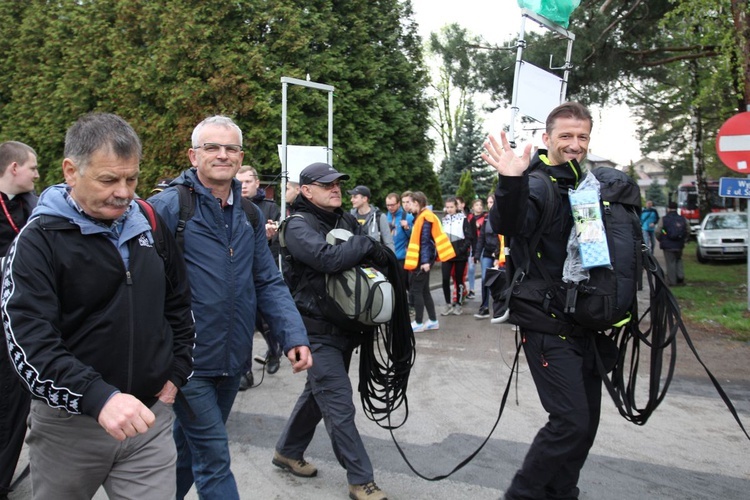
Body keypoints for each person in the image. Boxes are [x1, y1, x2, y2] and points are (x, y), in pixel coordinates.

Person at [2, 113, 194, 499]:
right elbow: (28, 341)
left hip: (149, 422)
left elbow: (179, 303)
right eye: (108, 180)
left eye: (132, 178)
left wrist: (177, 370)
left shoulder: (149, 222)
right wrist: (98, 397)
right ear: (71, 171)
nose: (124, 193)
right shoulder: (38, 241)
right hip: (69, 429)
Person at [149, 115, 312, 500]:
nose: (222, 155)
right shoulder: (167, 207)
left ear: (240, 157)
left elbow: (267, 280)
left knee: (190, 454)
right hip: (186, 361)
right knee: (214, 459)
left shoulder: (250, 214)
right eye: (212, 147)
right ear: (193, 155)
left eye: (231, 148)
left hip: (233, 358)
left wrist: (292, 334)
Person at [482, 102, 608, 499]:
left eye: (582, 136)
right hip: (547, 324)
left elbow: (592, 254)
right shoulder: (536, 183)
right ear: (547, 138)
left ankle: (561, 493)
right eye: (566, 136)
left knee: (584, 426)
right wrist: (510, 181)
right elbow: (508, 223)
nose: (575, 144)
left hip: (583, 320)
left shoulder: (583, 187)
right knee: (570, 422)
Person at [274, 162, 389, 500]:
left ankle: (287, 451)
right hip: (313, 332)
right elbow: (327, 259)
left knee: (317, 394)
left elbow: (377, 254)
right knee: (339, 404)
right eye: (327, 185)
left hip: (344, 327)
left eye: (338, 183)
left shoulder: (343, 220)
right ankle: (360, 479)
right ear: (306, 191)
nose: (336, 188)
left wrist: (365, 249)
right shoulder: (297, 225)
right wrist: (363, 247)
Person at [0, 141, 39, 499]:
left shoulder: (35, 207)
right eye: (32, 167)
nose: (37, 174)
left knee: (14, 406)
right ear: (14, 168)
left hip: (19, 325)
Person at [235, 164, 283, 387]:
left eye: (247, 182)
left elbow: (278, 247)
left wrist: (269, 237)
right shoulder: (231, 205)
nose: (243, 186)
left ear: (256, 183)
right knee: (243, 322)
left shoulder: (270, 208)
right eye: (240, 181)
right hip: (237, 275)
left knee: (264, 322)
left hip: (261, 275)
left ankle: (274, 351)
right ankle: (245, 371)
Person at [403, 190, 455, 332]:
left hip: (422, 262)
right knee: (424, 291)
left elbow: (426, 242)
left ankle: (419, 322)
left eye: (410, 203)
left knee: (416, 291)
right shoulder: (422, 216)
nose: (409, 207)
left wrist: (425, 262)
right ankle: (433, 320)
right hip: (421, 261)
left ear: (417, 203)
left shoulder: (425, 218)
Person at [440, 196, 473, 316]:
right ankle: (448, 304)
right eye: (447, 207)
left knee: (459, 280)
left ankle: (458, 304)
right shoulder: (444, 220)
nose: (449, 209)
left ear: (456, 207)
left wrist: (461, 250)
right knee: (444, 279)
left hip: (460, 255)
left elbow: (469, 237)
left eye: (451, 207)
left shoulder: (463, 219)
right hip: (447, 254)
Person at [474, 194, 500, 319]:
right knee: (485, 279)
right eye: (488, 202)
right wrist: (477, 254)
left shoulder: (501, 217)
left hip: (498, 255)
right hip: (487, 253)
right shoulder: (486, 219)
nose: (489, 205)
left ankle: (500, 309)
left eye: (492, 202)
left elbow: (502, 238)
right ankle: (484, 307)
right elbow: (481, 238)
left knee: (498, 281)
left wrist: (498, 255)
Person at [349, 184, 395, 252]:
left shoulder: (379, 217)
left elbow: (388, 243)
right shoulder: (350, 216)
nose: (351, 200)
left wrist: (392, 260)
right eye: (351, 197)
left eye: (355, 197)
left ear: (365, 199)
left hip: (374, 260)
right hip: (356, 260)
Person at [385, 191, 413, 291]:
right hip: (389, 257)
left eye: (392, 205)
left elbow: (414, 237)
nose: (390, 207)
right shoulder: (384, 217)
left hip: (402, 258)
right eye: (388, 205)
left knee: (404, 285)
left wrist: (407, 228)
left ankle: (410, 304)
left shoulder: (408, 217)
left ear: (398, 204)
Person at [656, 201, 688, 286]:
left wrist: (662, 237)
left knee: (670, 262)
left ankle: (672, 281)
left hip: (667, 244)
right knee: (679, 260)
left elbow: (659, 231)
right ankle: (680, 278)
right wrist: (684, 239)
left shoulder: (664, 219)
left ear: (668, 208)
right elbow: (688, 230)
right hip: (679, 244)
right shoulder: (682, 219)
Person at [466, 198, 486, 300]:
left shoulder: (485, 217)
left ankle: (485, 290)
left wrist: (479, 226)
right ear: (473, 207)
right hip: (472, 247)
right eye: (477, 205)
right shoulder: (470, 218)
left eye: (481, 205)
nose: (479, 207)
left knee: (484, 269)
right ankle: (472, 289)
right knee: (471, 268)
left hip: (482, 246)